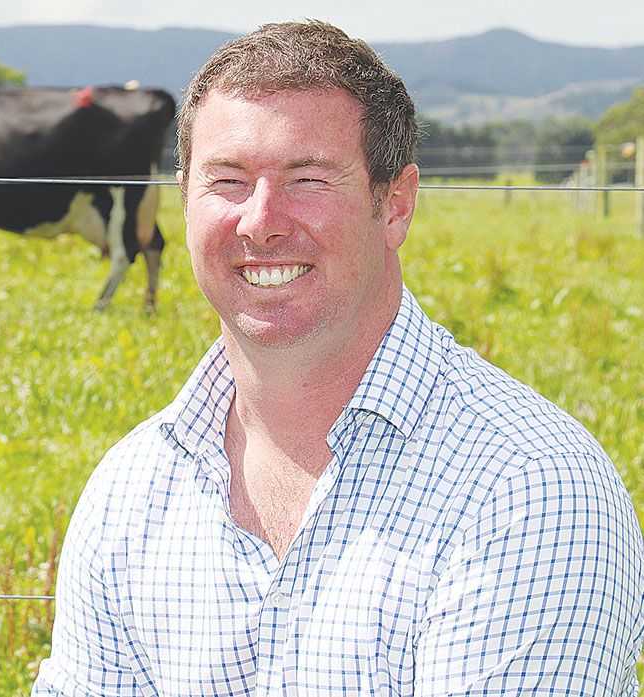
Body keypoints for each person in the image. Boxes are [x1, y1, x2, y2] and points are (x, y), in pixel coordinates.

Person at [33, 20, 644, 696]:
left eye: (309, 179)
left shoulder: (527, 489)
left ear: (397, 204)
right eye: (228, 179)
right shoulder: (129, 494)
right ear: (183, 198)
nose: (260, 220)